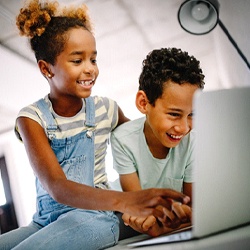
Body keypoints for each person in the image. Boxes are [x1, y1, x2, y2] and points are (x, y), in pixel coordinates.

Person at [0, 1, 190, 250]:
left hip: (96, 217)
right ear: (46, 68)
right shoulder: (31, 118)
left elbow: (144, 142)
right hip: (45, 221)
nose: (90, 69)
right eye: (77, 61)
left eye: (93, 59)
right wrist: (125, 200)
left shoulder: (106, 109)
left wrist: (175, 124)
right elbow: (58, 187)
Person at [111, 47, 205, 237]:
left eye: (192, 115)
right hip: (121, 212)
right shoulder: (122, 139)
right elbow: (139, 208)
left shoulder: (193, 141)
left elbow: (193, 208)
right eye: (174, 114)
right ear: (144, 103)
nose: (184, 128)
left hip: (164, 219)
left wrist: (188, 215)